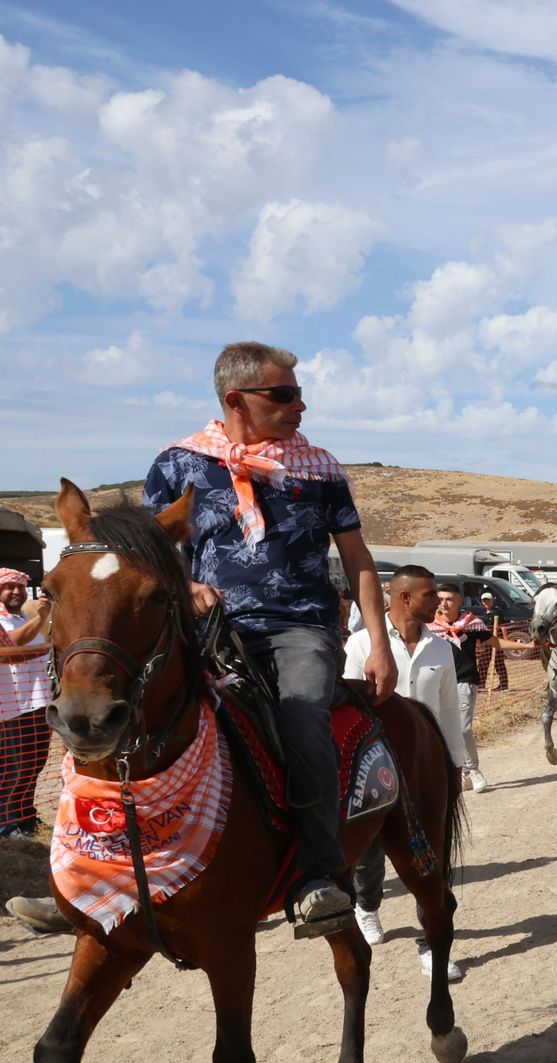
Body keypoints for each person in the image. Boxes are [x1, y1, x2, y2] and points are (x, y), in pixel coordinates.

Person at [143, 340, 397, 940]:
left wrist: (379, 643)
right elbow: (151, 553)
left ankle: (319, 874)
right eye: (284, 394)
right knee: (126, 703)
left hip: (300, 628)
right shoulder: (177, 464)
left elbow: (357, 560)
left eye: (299, 393)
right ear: (236, 399)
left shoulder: (322, 467)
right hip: (207, 630)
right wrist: (186, 586)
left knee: (303, 713)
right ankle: (95, 870)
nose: (300, 405)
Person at [344, 565, 468, 980]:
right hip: (376, 767)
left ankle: (430, 945)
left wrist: (455, 762)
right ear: (405, 599)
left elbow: (450, 709)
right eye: (431, 594)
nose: (441, 601)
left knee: (429, 858)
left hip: (425, 769)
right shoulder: (362, 645)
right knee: (370, 850)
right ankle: (367, 903)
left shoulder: (441, 647)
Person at [0, 572, 52, 837]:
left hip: (37, 702)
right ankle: (6, 824)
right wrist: (42, 618)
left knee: (35, 762)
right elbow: (13, 642)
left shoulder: (24, 619)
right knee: (12, 767)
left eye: (20, 587)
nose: (16, 592)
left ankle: (25, 816)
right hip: (9, 707)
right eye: (9, 587)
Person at [429, 585, 490, 792]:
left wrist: (526, 646)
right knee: (444, 729)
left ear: (460, 601)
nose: (444, 603)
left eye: (449, 599)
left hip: (465, 679)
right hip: (438, 682)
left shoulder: (473, 623)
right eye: (441, 599)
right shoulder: (429, 626)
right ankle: (461, 773)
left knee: (463, 728)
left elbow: (495, 642)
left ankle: (473, 770)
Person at [475, 589, 511, 690]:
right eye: (484, 601)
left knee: (498, 663)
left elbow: (502, 626)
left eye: (488, 600)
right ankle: (481, 685)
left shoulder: (497, 612)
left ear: (492, 601)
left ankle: (503, 686)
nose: (486, 603)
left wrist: (505, 639)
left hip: (495, 641)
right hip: (486, 642)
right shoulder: (484, 613)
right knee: (483, 663)